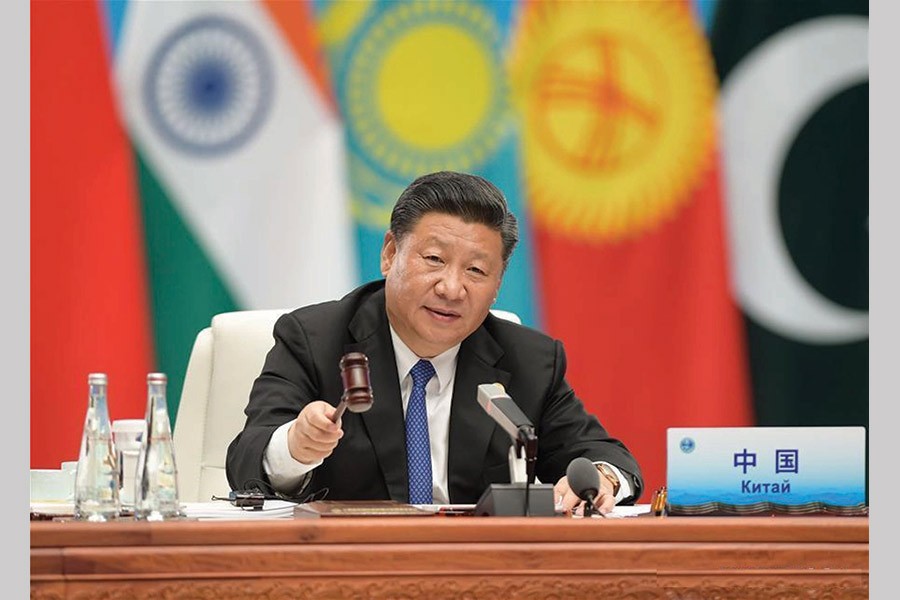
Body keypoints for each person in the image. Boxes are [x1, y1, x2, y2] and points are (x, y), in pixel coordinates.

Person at [226, 171, 642, 513]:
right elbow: (247, 459)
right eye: (434, 260)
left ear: (497, 285)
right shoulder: (315, 340)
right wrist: (295, 448)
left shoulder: (530, 361)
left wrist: (601, 477)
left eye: (476, 271)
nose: (452, 287)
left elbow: (605, 455)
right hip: (346, 570)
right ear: (390, 254)